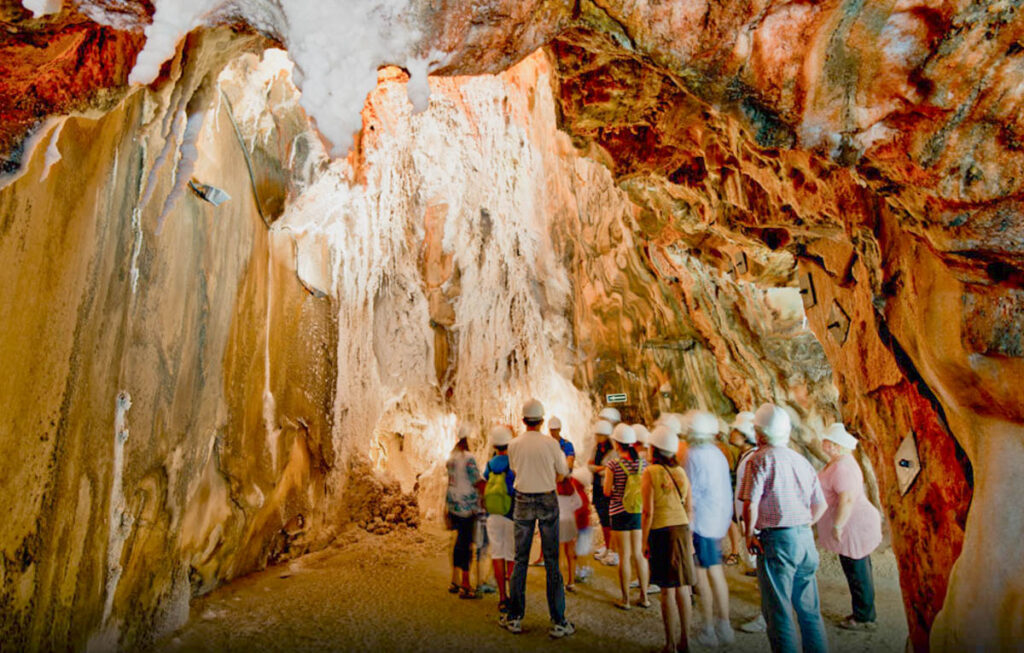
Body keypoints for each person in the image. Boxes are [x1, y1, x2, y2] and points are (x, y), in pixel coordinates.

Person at [739, 403, 828, 653]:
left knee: (779, 612)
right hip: (804, 539)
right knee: (810, 611)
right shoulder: (800, 460)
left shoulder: (759, 460)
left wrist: (749, 536)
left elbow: (750, 504)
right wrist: (802, 525)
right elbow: (820, 505)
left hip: (778, 540)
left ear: (758, 433)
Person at [505, 399, 575, 638]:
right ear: (542, 421)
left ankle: (514, 617)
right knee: (552, 561)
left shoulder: (513, 445)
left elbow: (514, 469)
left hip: (523, 499)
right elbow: (563, 472)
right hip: (547, 498)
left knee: (520, 559)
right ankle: (558, 620)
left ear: (523, 421)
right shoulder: (551, 444)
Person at [817, 422, 882, 631]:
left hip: (852, 526)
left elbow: (846, 500)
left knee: (857, 572)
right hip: (851, 525)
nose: (823, 444)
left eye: (827, 441)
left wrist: (837, 525)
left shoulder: (843, 466)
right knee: (858, 569)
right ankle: (865, 612)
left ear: (836, 445)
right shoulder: (839, 462)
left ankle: (864, 617)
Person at [642, 425, 697, 653]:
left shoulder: (651, 472)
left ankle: (670, 643)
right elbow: (689, 507)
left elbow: (648, 512)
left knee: (667, 590)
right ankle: (686, 641)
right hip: (682, 530)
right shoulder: (681, 473)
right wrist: (689, 538)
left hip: (662, 532)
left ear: (654, 449)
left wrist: (643, 540)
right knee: (683, 588)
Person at [684, 411, 735, 646]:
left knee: (703, 576)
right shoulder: (717, 454)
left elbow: (690, 493)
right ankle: (724, 626)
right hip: (717, 520)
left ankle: (709, 629)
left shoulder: (693, 455)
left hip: (702, 523)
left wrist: (689, 525)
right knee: (717, 572)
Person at [603, 423, 650, 609]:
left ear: (617, 443)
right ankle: (644, 597)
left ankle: (626, 600)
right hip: (638, 512)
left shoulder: (613, 464)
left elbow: (607, 491)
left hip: (619, 512)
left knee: (624, 556)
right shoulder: (643, 464)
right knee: (639, 554)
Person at [446, 425, 485, 599]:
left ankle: (454, 580)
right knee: (466, 543)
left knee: (458, 542)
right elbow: (476, 479)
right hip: (467, 507)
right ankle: (466, 584)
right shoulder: (468, 458)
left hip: (453, 504)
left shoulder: (451, 457)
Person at [483, 425, 517, 614]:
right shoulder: (513, 464)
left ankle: (502, 598)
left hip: (493, 515)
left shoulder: (490, 464)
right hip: (511, 514)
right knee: (511, 556)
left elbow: (485, 483)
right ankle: (513, 596)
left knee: (498, 555)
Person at [588, 420, 619, 566]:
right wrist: (599, 468)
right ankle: (608, 547)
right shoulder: (596, 449)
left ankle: (613, 550)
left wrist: (597, 468)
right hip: (597, 487)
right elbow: (591, 465)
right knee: (603, 519)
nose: (596, 437)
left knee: (608, 520)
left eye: (599, 435)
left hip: (607, 488)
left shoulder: (613, 452)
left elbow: (609, 469)